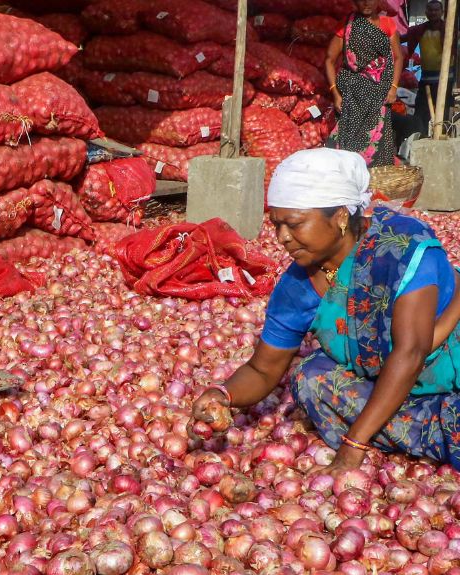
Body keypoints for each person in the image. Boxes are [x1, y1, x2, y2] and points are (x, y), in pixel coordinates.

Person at [189, 148, 460, 474]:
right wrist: (223, 394)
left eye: (295, 224)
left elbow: (411, 351)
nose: (282, 238)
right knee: (310, 380)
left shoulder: (401, 248)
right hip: (398, 385)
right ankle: (427, 428)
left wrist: (353, 446)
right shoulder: (298, 285)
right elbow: (263, 370)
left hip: (440, 366)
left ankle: (400, 429)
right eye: (276, 225)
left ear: (341, 216)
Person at [326, 0, 405, 166]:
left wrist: (393, 88)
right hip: (352, 93)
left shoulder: (387, 24)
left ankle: (375, 177)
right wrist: (335, 93)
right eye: (361, 0)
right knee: (348, 138)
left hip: (380, 91)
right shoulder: (347, 25)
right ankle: (349, 173)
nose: (366, 3)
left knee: (378, 136)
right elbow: (329, 60)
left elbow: (398, 57)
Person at [404, 0, 456, 137]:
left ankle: (443, 135)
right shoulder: (419, 30)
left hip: (446, 79)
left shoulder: (449, 30)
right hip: (426, 79)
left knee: (444, 111)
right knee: (422, 110)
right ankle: (420, 136)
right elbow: (402, 39)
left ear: (442, 13)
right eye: (430, 10)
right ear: (426, 12)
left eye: (436, 10)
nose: (433, 13)